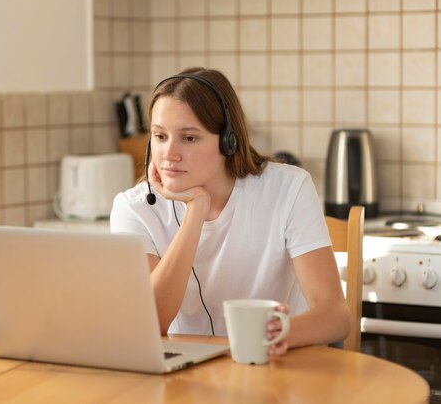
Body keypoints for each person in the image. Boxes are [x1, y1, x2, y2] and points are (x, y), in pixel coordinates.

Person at [110, 67, 349, 357]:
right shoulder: (133, 209)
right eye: (160, 136)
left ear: (228, 141)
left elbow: (336, 316)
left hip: (275, 369)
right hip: (187, 379)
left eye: (189, 138)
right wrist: (195, 212)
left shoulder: (289, 188)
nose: (169, 154)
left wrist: (281, 331)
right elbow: (149, 324)